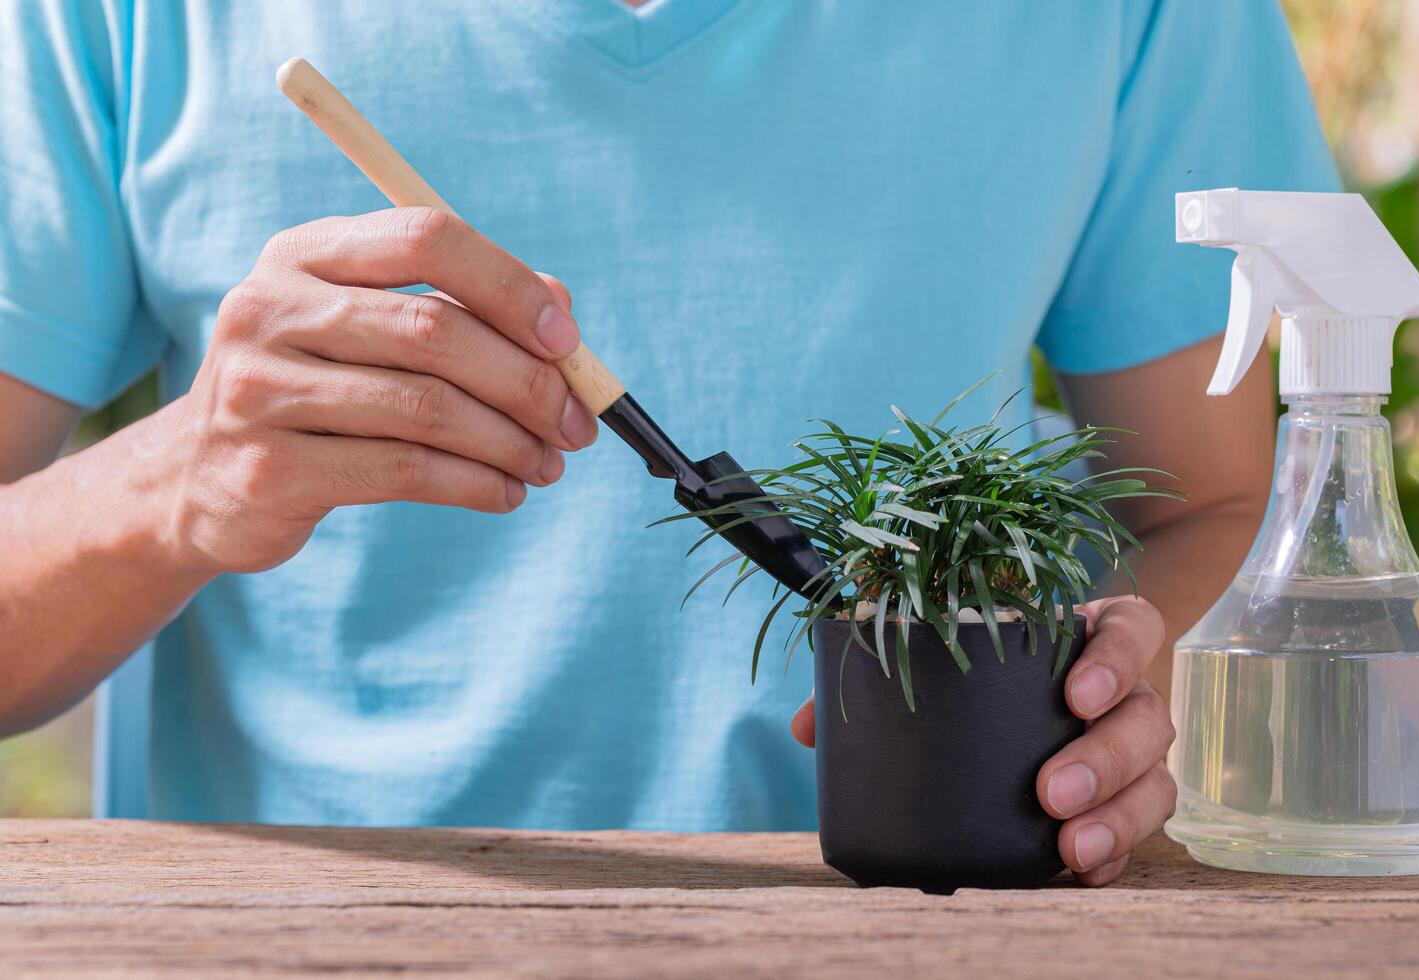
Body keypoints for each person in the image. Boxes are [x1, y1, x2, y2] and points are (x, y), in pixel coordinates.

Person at [0, 0, 1334, 885]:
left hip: (918, 928)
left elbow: (1210, 512)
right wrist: (173, 485)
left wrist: (1111, 695)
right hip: (307, 940)